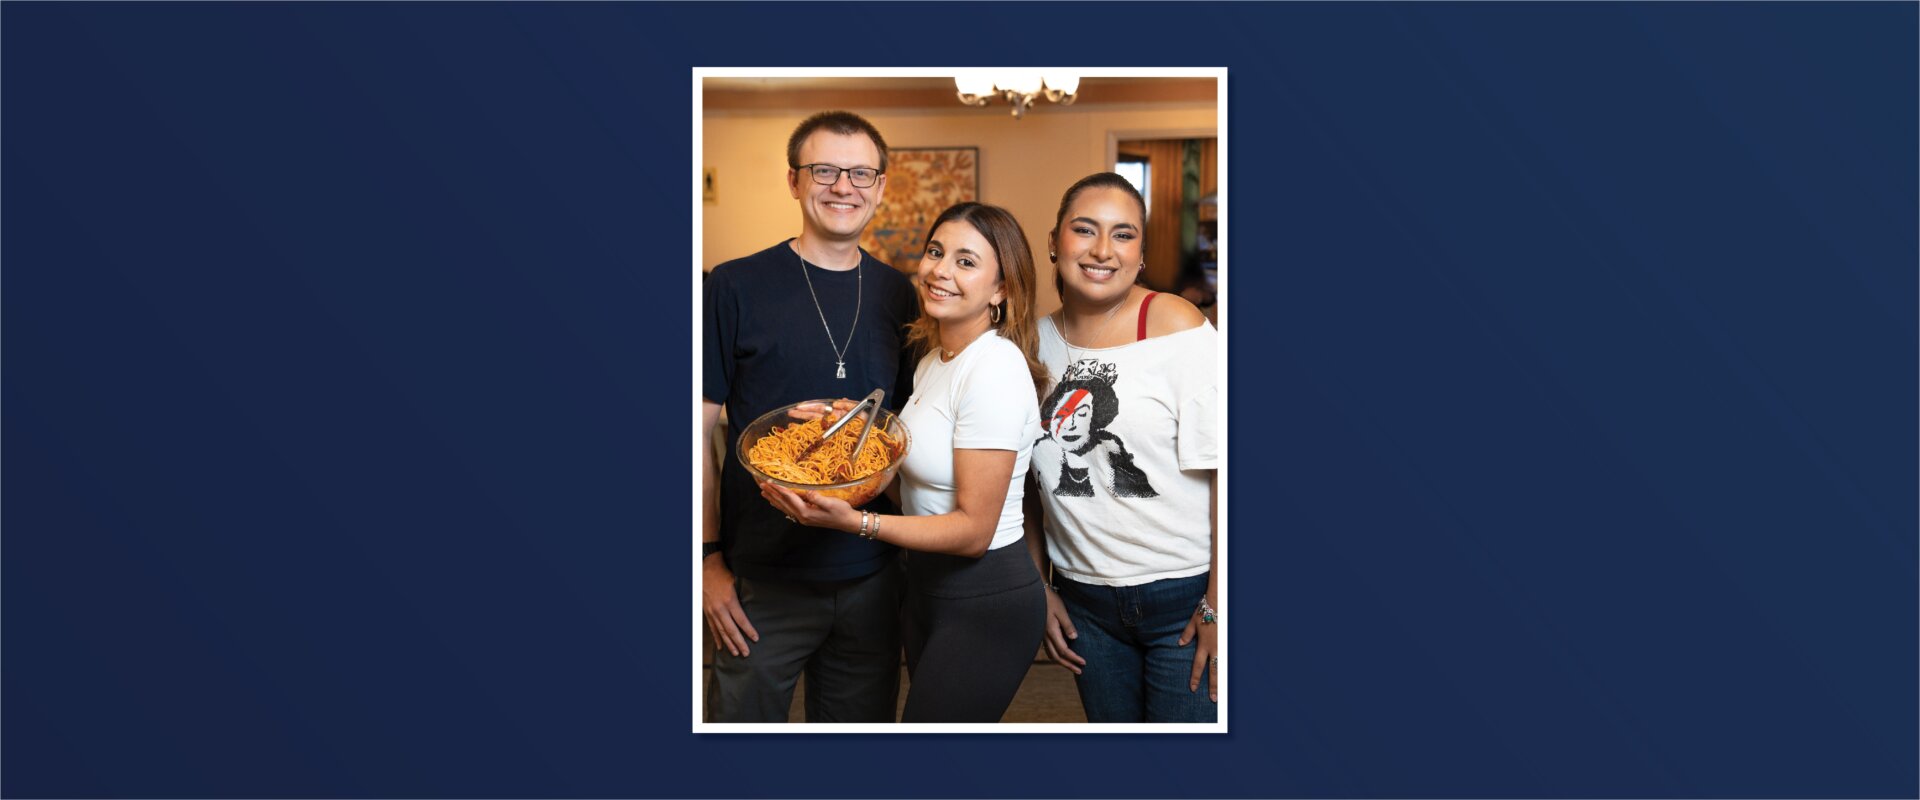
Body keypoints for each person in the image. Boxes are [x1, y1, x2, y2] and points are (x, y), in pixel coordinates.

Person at [762, 202, 1048, 723]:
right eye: (936, 252)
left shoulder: (995, 368)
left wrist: (856, 522)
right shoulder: (933, 362)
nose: (940, 270)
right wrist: (859, 437)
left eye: (966, 261)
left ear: (1002, 289)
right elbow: (918, 492)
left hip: (984, 596)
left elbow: (973, 531)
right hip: (926, 588)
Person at [701, 111, 919, 723]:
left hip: (871, 576)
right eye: (824, 170)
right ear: (795, 182)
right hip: (761, 579)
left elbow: (903, 436)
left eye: (859, 173)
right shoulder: (733, 285)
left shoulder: (901, 294)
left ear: (879, 186)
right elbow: (695, 433)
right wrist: (707, 561)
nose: (842, 187)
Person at [1023, 172, 1220, 722]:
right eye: (1084, 230)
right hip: (1085, 604)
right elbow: (1027, 489)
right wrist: (1040, 587)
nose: (1102, 250)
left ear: (1141, 253)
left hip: (1184, 601)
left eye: (1123, 234)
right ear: (1055, 241)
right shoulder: (1030, 346)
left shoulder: (1176, 325)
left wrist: (1219, 606)